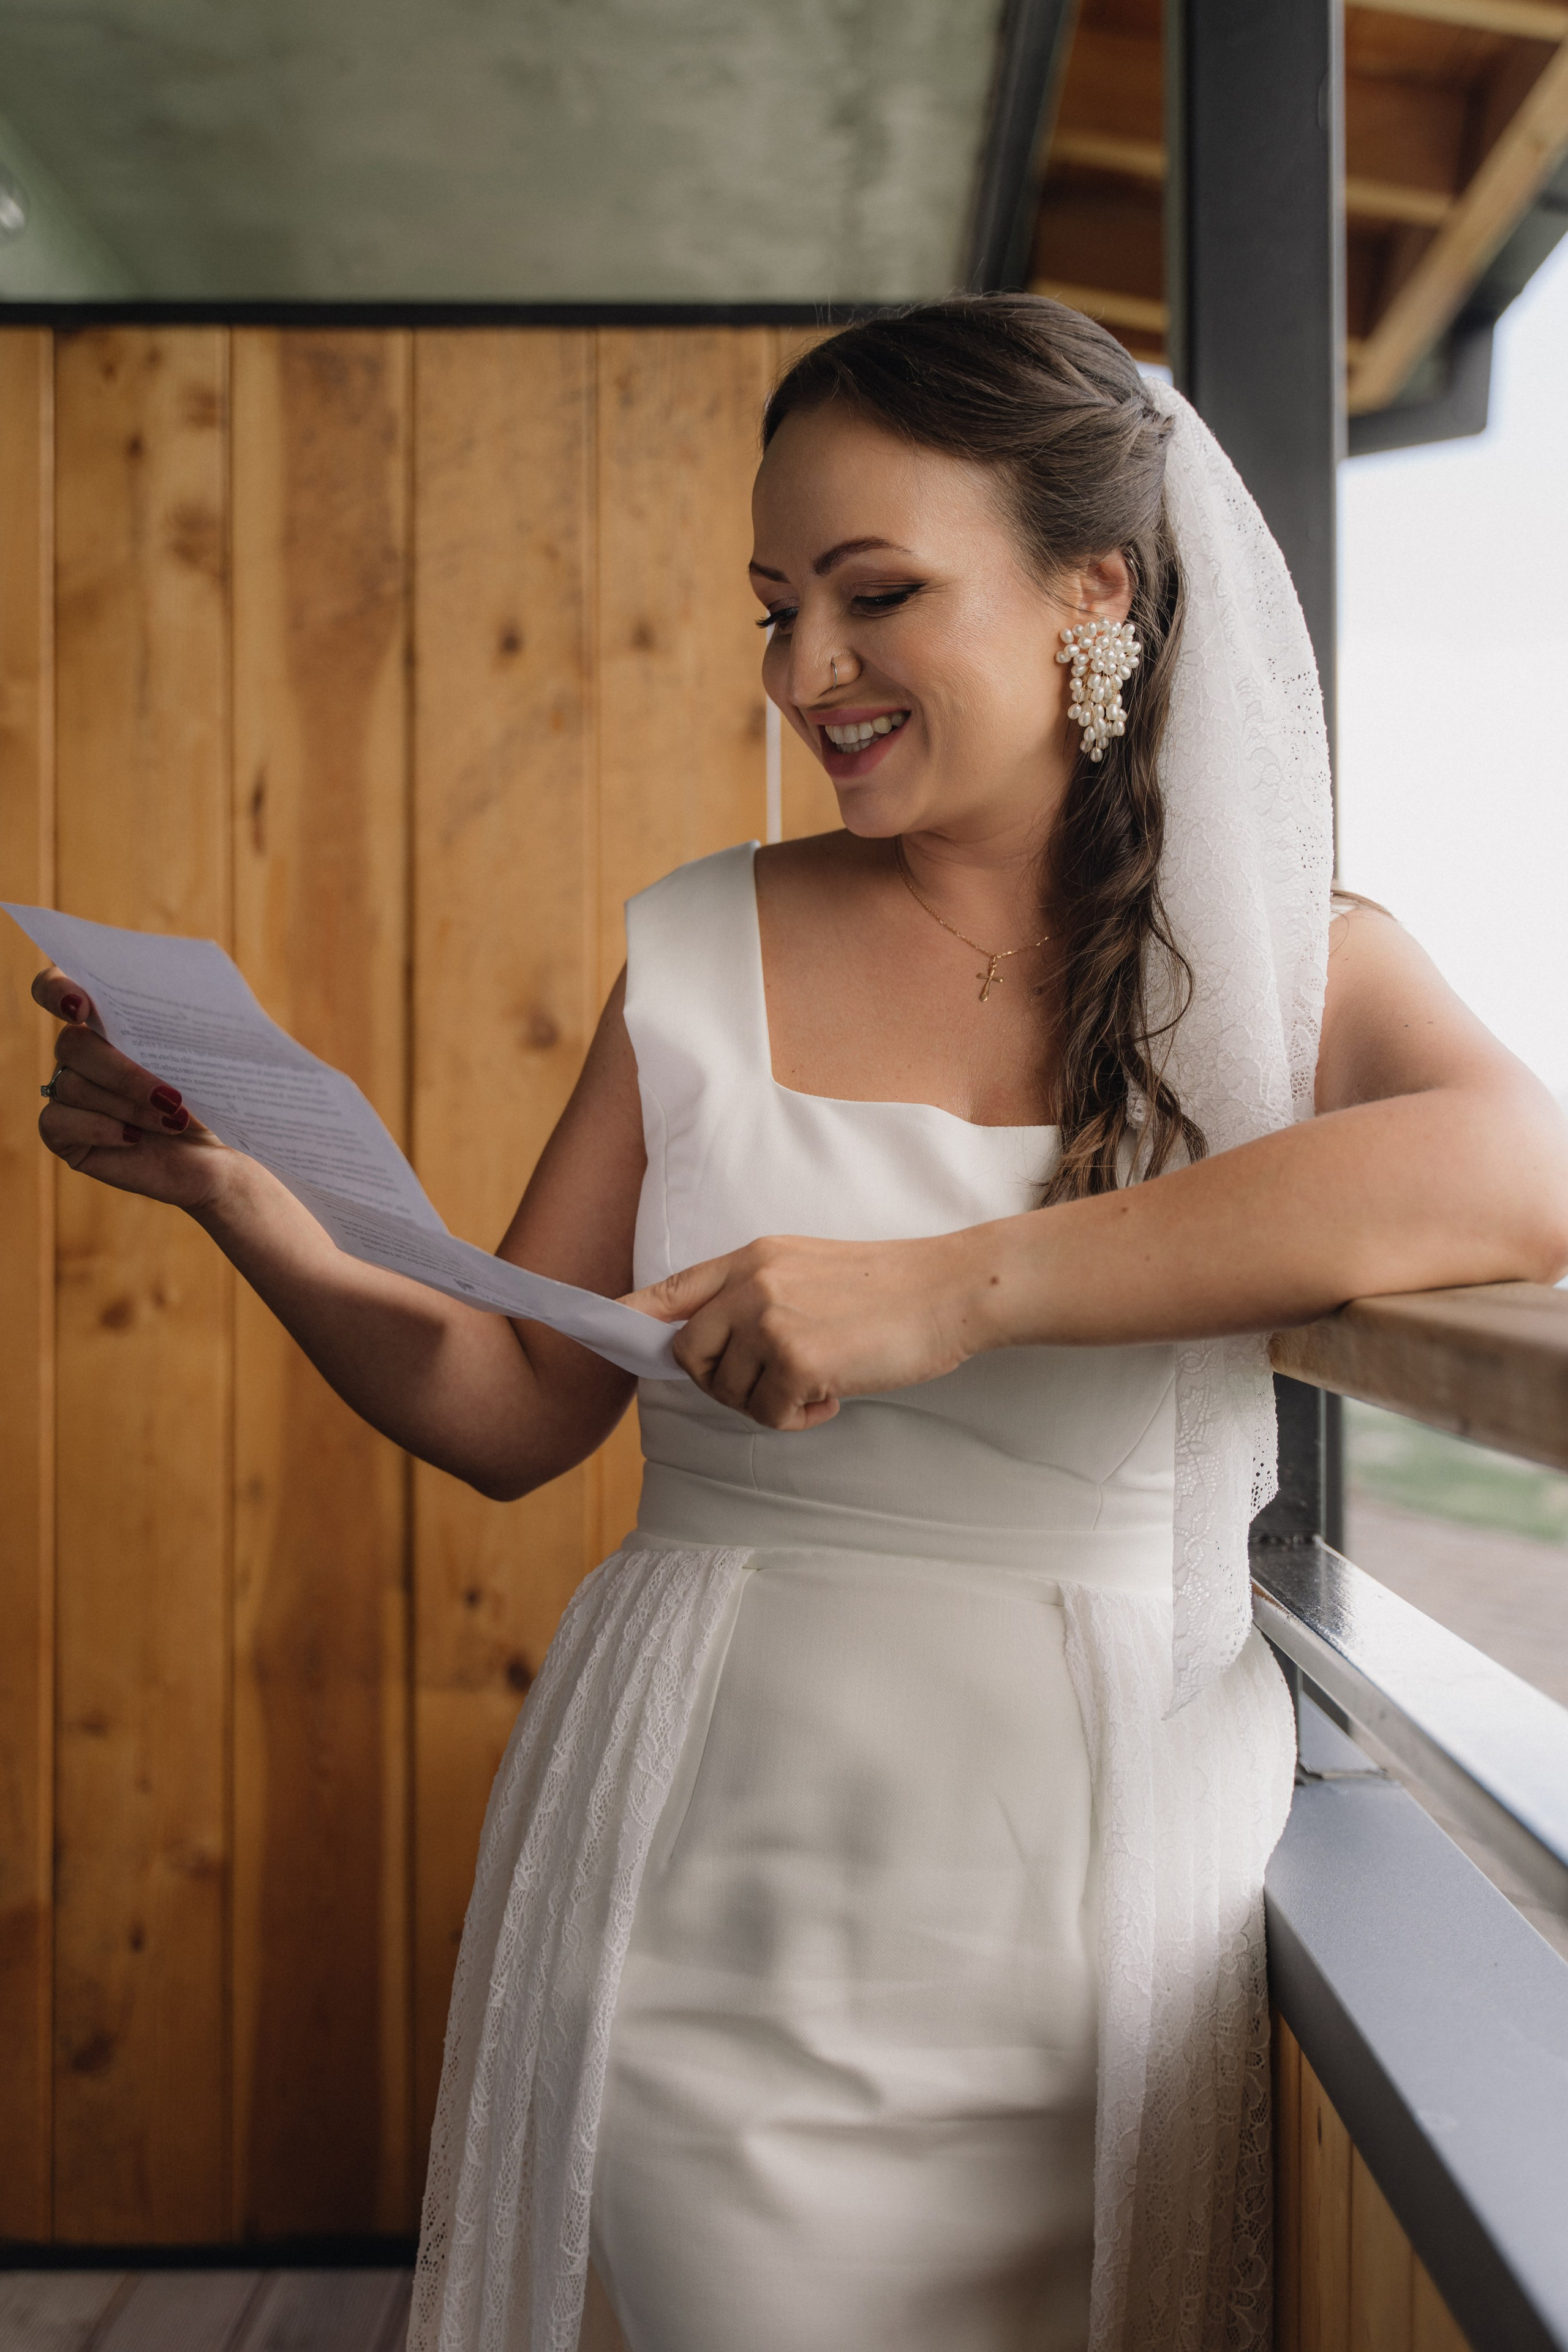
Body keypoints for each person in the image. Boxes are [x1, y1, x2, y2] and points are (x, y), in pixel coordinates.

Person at [32, 297, 1568, 2352]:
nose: (802, 673)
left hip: (1094, 1854)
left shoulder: (1291, 966)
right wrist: (246, 1200)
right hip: (709, 1844)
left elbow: (1520, 1178)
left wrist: (952, 1289)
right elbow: (509, 1410)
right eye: (776, 605)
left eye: (875, 595)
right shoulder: (693, 940)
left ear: (1090, 592)